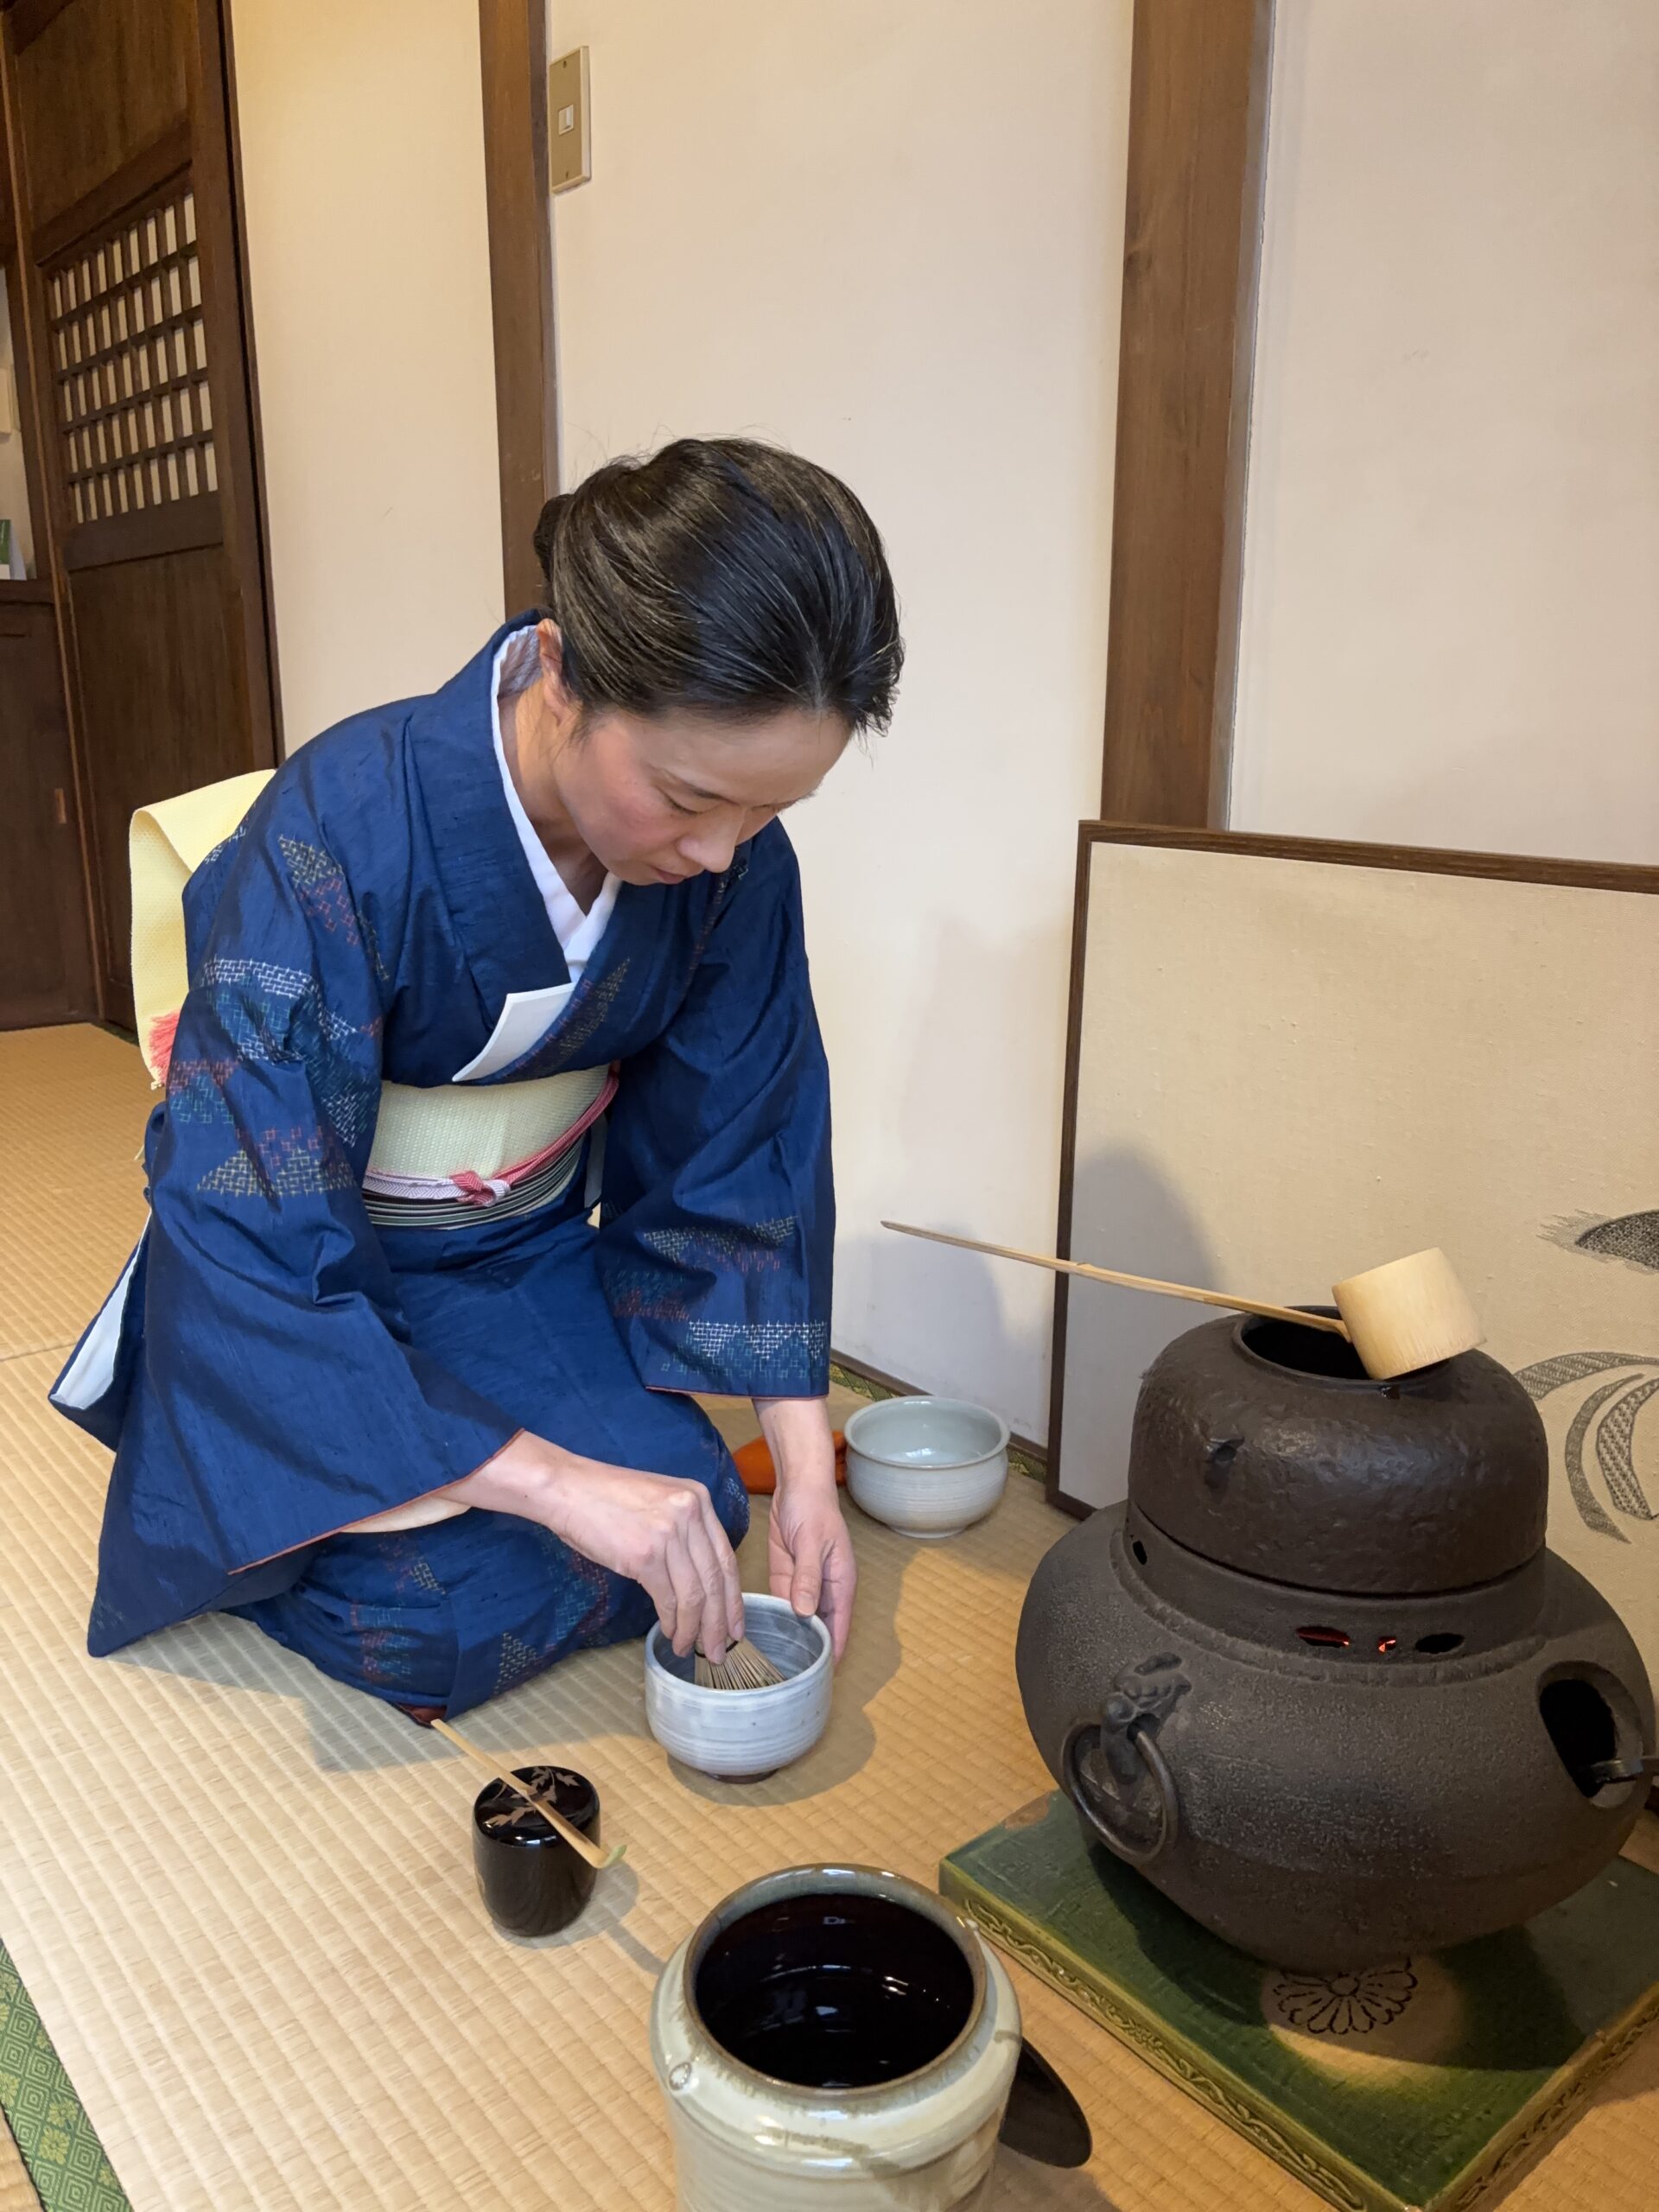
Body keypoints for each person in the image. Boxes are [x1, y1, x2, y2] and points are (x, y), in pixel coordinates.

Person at [51, 437, 902, 1719]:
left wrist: (809, 1469)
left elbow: (749, 1134)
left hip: (520, 1253)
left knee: (696, 1506)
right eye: (688, 798)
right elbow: (252, 1204)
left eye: (765, 814)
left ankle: (492, 1475)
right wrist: (554, 1485)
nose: (724, 854)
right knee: (433, 1618)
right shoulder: (338, 829)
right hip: (322, 1279)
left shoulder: (731, 870)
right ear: (563, 673)